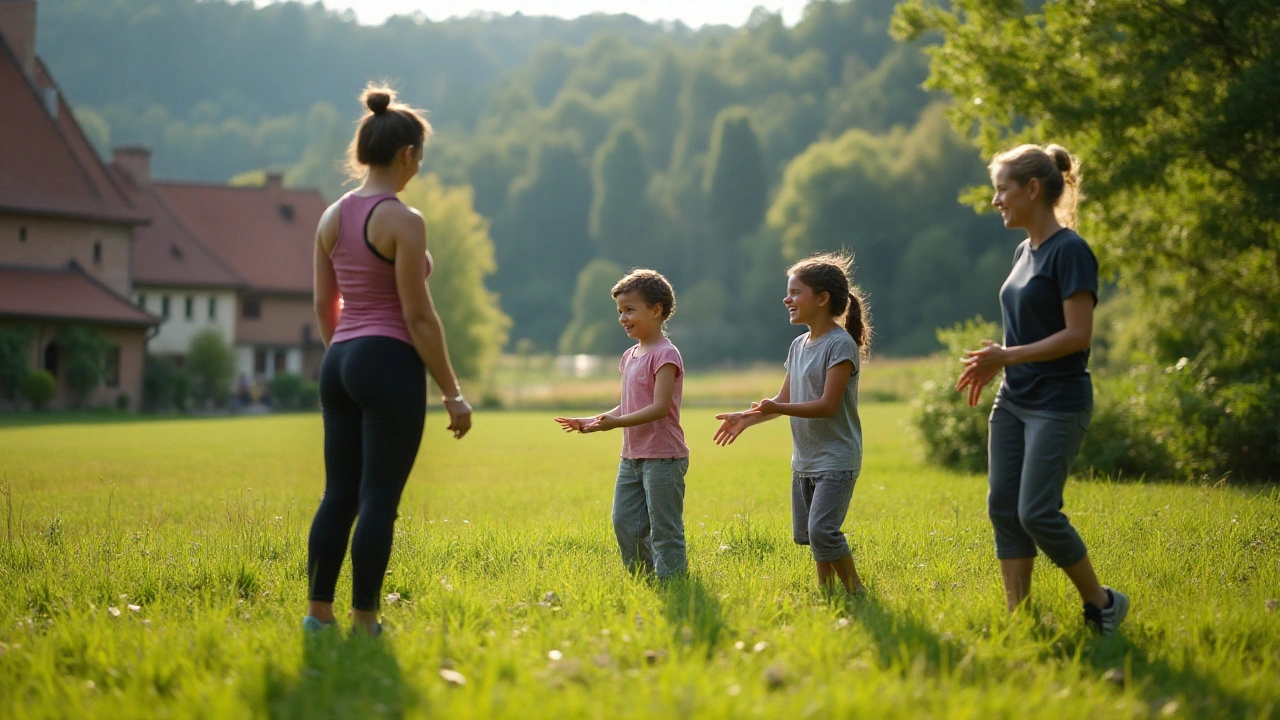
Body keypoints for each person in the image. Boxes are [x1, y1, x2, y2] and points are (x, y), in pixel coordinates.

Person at [305, 85, 472, 636]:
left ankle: (317, 617)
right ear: (407, 154)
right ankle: (366, 622)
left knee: (338, 494)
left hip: (340, 360)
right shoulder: (403, 220)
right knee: (379, 497)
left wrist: (343, 357)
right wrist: (452, 391)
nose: (417, 169)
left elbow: (322, 303)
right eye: (419, 158)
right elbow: (418, 316)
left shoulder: (330, 217)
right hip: (387, 360)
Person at [955, 143, 1128, 635]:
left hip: (1058, 402)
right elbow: (1028, 327)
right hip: (1014, 399)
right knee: (1004, 508)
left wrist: (1005, 356)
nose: (996, 202)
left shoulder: (1071, 251)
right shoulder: (1022, 251)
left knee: (1036, 511)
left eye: (1002, 190)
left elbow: (1078, 335)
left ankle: (1102, 603)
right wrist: (998, 363)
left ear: (1033, 189)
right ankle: (1019, 618)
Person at [713, 253, 869, 597]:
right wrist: (748, 417)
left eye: (795, 292)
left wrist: (777, 405)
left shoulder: (840, 345)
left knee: (822, 531)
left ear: (822, 298)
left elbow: (827, 406)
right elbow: (783, 401)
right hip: (806, 460)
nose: (787, 299)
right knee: (810, 535)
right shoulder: (799, 345)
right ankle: (826, 592)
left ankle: (856, 591)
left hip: (836, 458)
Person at [555, 270, 690, 580]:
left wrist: (614, 424)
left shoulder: (665, 355)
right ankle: (644, 579)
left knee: (664, 528)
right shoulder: (629, 356)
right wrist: (594, 420)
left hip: (664, 457)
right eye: (620, 311)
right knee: (624, 522)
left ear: (656, 310)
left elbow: (658, 408)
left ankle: (673, 583)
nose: (622, 318)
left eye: (630, 310)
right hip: (631, 458)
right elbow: (629, 404)